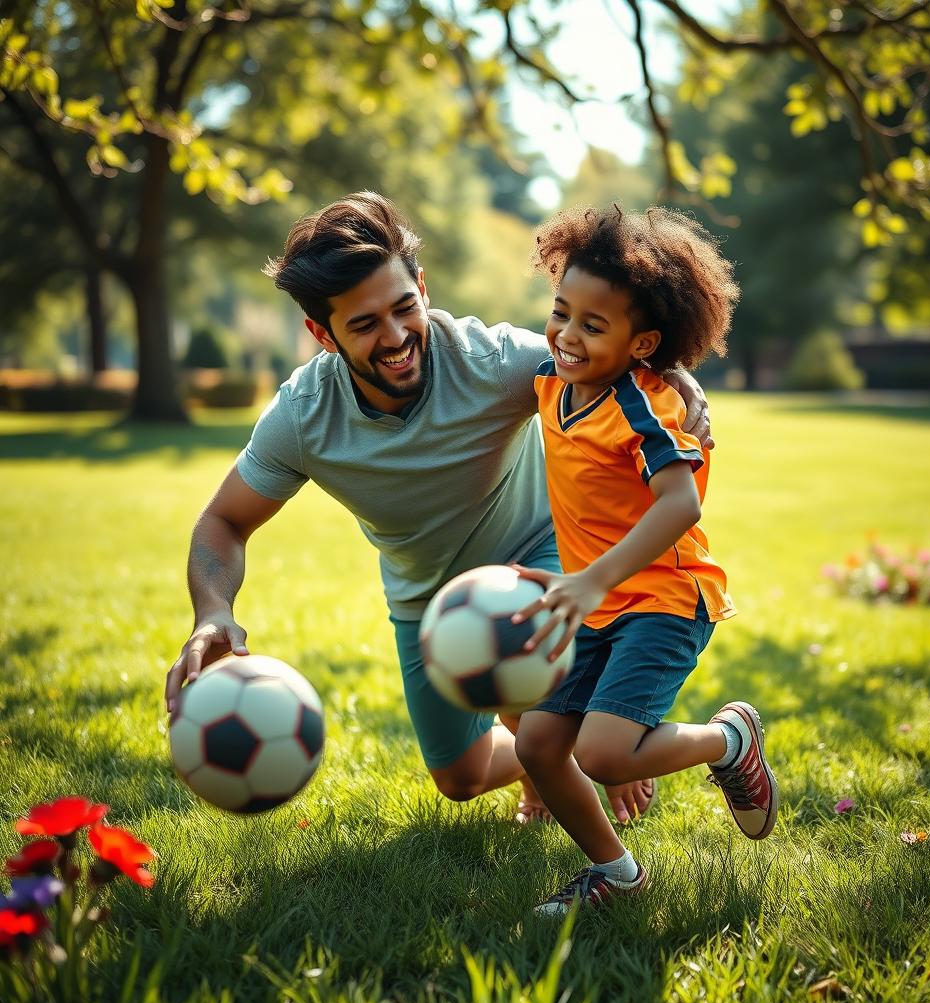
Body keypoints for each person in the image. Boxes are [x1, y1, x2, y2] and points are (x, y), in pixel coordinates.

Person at [164, 192, 715, 827]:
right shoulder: (303, 417)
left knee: (537, 699)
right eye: (365, 324)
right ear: (321, 333)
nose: (396, 337)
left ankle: (573, 758)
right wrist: (213, 612)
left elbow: (611, 355)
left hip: (536, 561)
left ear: (423, 289)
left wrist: (680, 378)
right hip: (424, 595)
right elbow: (223, 521)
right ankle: (541, 759)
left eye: (405, 308)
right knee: (460, 777)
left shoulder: (492, 360)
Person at [509, 205, 779, 916]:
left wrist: (590, 578)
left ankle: (729, 740)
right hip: (597, 603)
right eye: (561, 312)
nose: (568, 335)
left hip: (665, 596)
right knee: (538, 741)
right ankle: (617, 872)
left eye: (593, 326)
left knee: (601, 753)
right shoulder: (548, 384)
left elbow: (680, 505)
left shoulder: (641, 407)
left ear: (643, 344)